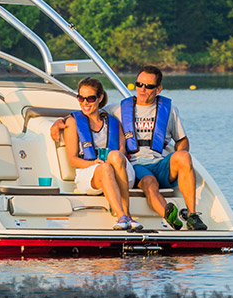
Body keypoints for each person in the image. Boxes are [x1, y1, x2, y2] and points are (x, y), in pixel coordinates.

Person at [51, 66, 206, 230]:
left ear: (158, 89)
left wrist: (181, 157)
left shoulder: (170, 111)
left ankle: (192, 215)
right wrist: (60, 121)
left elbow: (182, 140)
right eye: (139, 84)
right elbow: (87, 112)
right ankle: (168, 215)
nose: (142, 89)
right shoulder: (118, 110)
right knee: (149, 182)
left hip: (161, 163)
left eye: (148, 86)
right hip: (137, 165)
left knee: (184, 157)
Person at [62, 77, 141, 230]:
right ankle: (122, 216)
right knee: (105, 169)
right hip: (89, 172)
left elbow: (122, 151)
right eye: (81, 98)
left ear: (100, 98)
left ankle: (127, 213)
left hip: (121, 171)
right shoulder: (72, 122)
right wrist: (94, 163)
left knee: (115, 156)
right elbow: (72, 159)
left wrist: (109, 161)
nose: (85, 103)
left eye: (90, 98)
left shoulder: (113, 122)